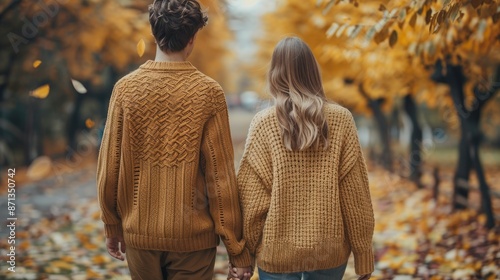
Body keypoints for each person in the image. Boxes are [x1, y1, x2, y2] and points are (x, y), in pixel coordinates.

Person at [96, 0, 252, 279]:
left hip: (139, 238)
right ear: (192, 39)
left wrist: (112, 225)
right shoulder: (209, 93)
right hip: (193, 243)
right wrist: (236, 249)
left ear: (153, 33)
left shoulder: (125, 90)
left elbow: (109, 167)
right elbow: (221, 178)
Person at [233, 37, 375, 280]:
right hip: (328, 254)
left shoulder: (263, 123)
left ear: (275, 74)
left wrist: (244, 258)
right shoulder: (341, 119)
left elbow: (252, 201)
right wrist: (363, 254)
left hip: (277, 256)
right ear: (313, 72)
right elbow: (356, 196)